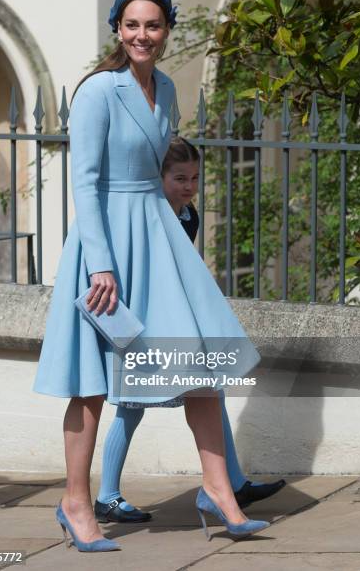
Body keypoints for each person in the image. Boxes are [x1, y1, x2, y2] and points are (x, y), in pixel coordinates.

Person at [33, 0, 270, 554]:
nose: (143, 35)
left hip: (156, 234)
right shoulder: (97, 91)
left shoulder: (165, 88)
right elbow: (85, 184)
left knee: (201, 362)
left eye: (153, 25)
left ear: (166, 30)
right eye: (132, 24)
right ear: (118, 28)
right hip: (106, 243)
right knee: (91, 387)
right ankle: (76, 503)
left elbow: (157, 168)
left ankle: (220, 493)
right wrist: (102, 266)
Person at [94, 136, 286, 524]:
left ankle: (232, 482)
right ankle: (106, 497)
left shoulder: (189, 216)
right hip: (145, 323)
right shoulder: (143, 214)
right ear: (158, 177)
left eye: (195, 178)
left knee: (211, 391)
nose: (189, 186)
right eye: (180, 177)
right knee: (131, 407)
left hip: (175, 319)